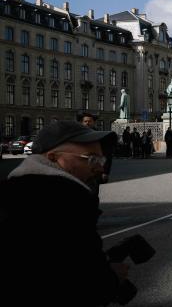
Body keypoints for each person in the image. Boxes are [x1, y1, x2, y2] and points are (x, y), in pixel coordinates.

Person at [0, 120, 127, 305]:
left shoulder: (10, 192)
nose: (100, 169)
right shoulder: (67, 204)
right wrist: (112, 277)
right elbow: (88, 287)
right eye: (91, 158)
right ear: (53, 157)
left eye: (102, 160)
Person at [79, 112, 113, 188]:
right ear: (82, 123)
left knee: (93, 193)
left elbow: (107, 154)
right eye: (85, 121)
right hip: (80, 169)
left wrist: (105, 171)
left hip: (95, 170)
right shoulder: (78, 136)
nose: (87, 123)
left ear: (93, 122)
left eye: (89, 121)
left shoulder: (100, 136)